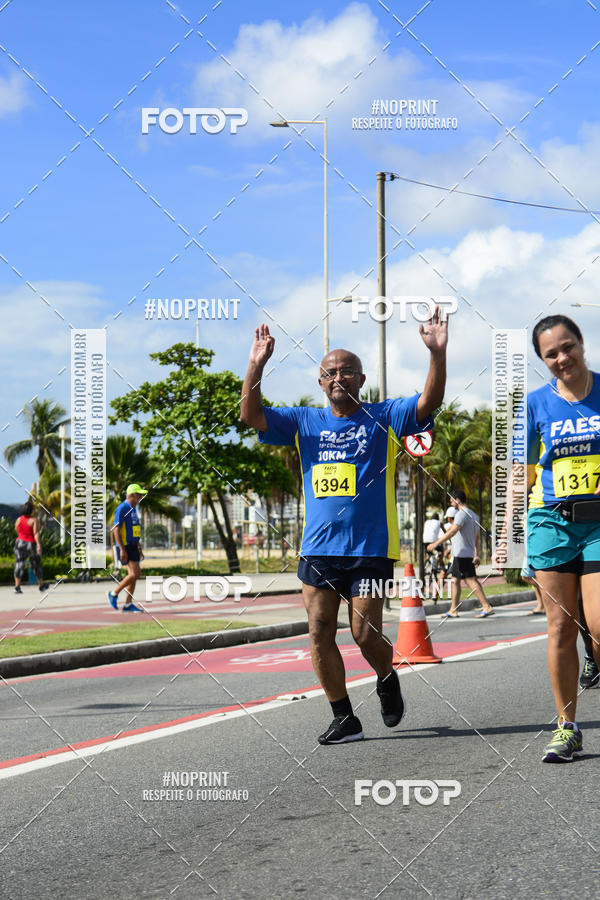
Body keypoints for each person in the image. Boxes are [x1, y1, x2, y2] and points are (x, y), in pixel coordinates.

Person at [241, 312, 448, 744]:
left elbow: (428, 402)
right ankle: (344, 717)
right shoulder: (303, 421)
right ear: (321, 382)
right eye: (330, 372)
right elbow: (251, 415)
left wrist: (437, 354)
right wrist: (256, 364)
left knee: (364, 633)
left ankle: (386, 677)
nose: (339, 377)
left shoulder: (385, 415)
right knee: (319, 630)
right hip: (318, 548)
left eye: (347, 371)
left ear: (362, 378)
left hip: (370, 548)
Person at [525, 314, 600, 761]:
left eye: (567, 346)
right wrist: (514, 539)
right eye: (550, 354)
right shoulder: (535, 403)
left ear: (581, 342)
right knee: (560, 627)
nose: (562, 358)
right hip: (550, 521)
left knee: (598, 623)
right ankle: (567, 727)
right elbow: (520, 472)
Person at [427, 490, 493, 618]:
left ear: (457, 500)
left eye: (451, 501)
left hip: (461, 553)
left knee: (470, 580)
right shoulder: (474, 515)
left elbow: (452, 531)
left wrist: (435, 544)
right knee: (455, 581)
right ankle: (453, 609)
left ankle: (486, 606)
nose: (451, 503)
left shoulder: (461, 514)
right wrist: (476, 554)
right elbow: (476, 537)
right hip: (465, 553)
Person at [107, 484, 146, 612]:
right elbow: (116, 529)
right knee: (135, 574)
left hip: (133, 545)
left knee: (134, 575)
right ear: (131, 495)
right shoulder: (122, 508)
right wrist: (122, 549)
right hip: (125, 545)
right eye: (139, 495)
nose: (140, 498)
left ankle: (128, 604)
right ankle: (113, 593)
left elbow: (135, 531)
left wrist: (139, 549)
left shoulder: (133, 509)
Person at [13, 500, 46, 593]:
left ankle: (17, 587)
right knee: (36, 565)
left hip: (19, 543)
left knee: (19, 564)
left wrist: (22, 537)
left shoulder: (19, 519)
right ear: (31, 510)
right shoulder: (34, 520)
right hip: (30, 544)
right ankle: (41, 586)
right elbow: (36, 533)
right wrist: (38, 545)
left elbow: (16, 529)